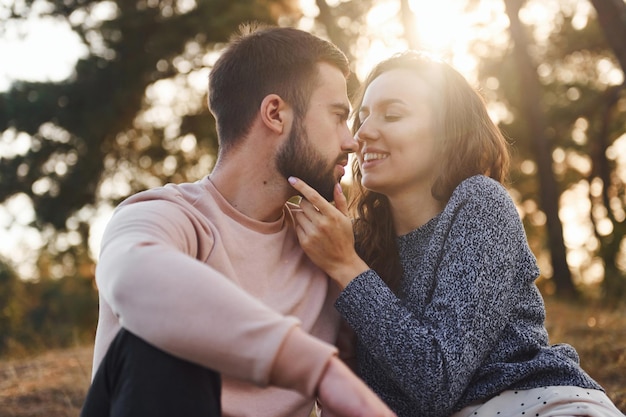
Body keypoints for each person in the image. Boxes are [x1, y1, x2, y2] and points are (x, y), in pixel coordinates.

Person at [80, 24, 396, 417]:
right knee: (152, 344)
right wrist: (315, 367)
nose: (351, 141)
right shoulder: (165, 214)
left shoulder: (326, 247)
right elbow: (134, 277)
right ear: (275, 113)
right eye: (337, 116)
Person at [288, 51, 625, 417]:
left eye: (394, 115)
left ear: (449, 135)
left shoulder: (480, 203)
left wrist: (344, 266)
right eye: (362, 116)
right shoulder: (359, 243)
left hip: (534, 405)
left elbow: (437, 382)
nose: (363, 133)